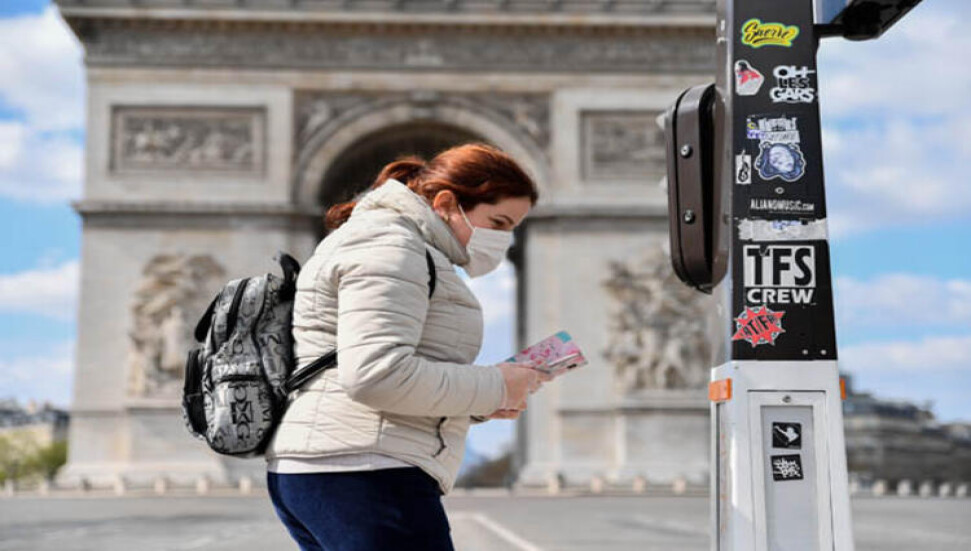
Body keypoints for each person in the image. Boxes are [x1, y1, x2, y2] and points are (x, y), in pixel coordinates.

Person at [265, 142, 550, 551]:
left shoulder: (393, 243)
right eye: (498, 222)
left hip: (345, 467)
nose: (503, 241)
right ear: (447, 202)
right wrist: (495, 384)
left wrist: (480, 401)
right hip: (365, 472)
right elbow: (375, 376)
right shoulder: (391, 247)